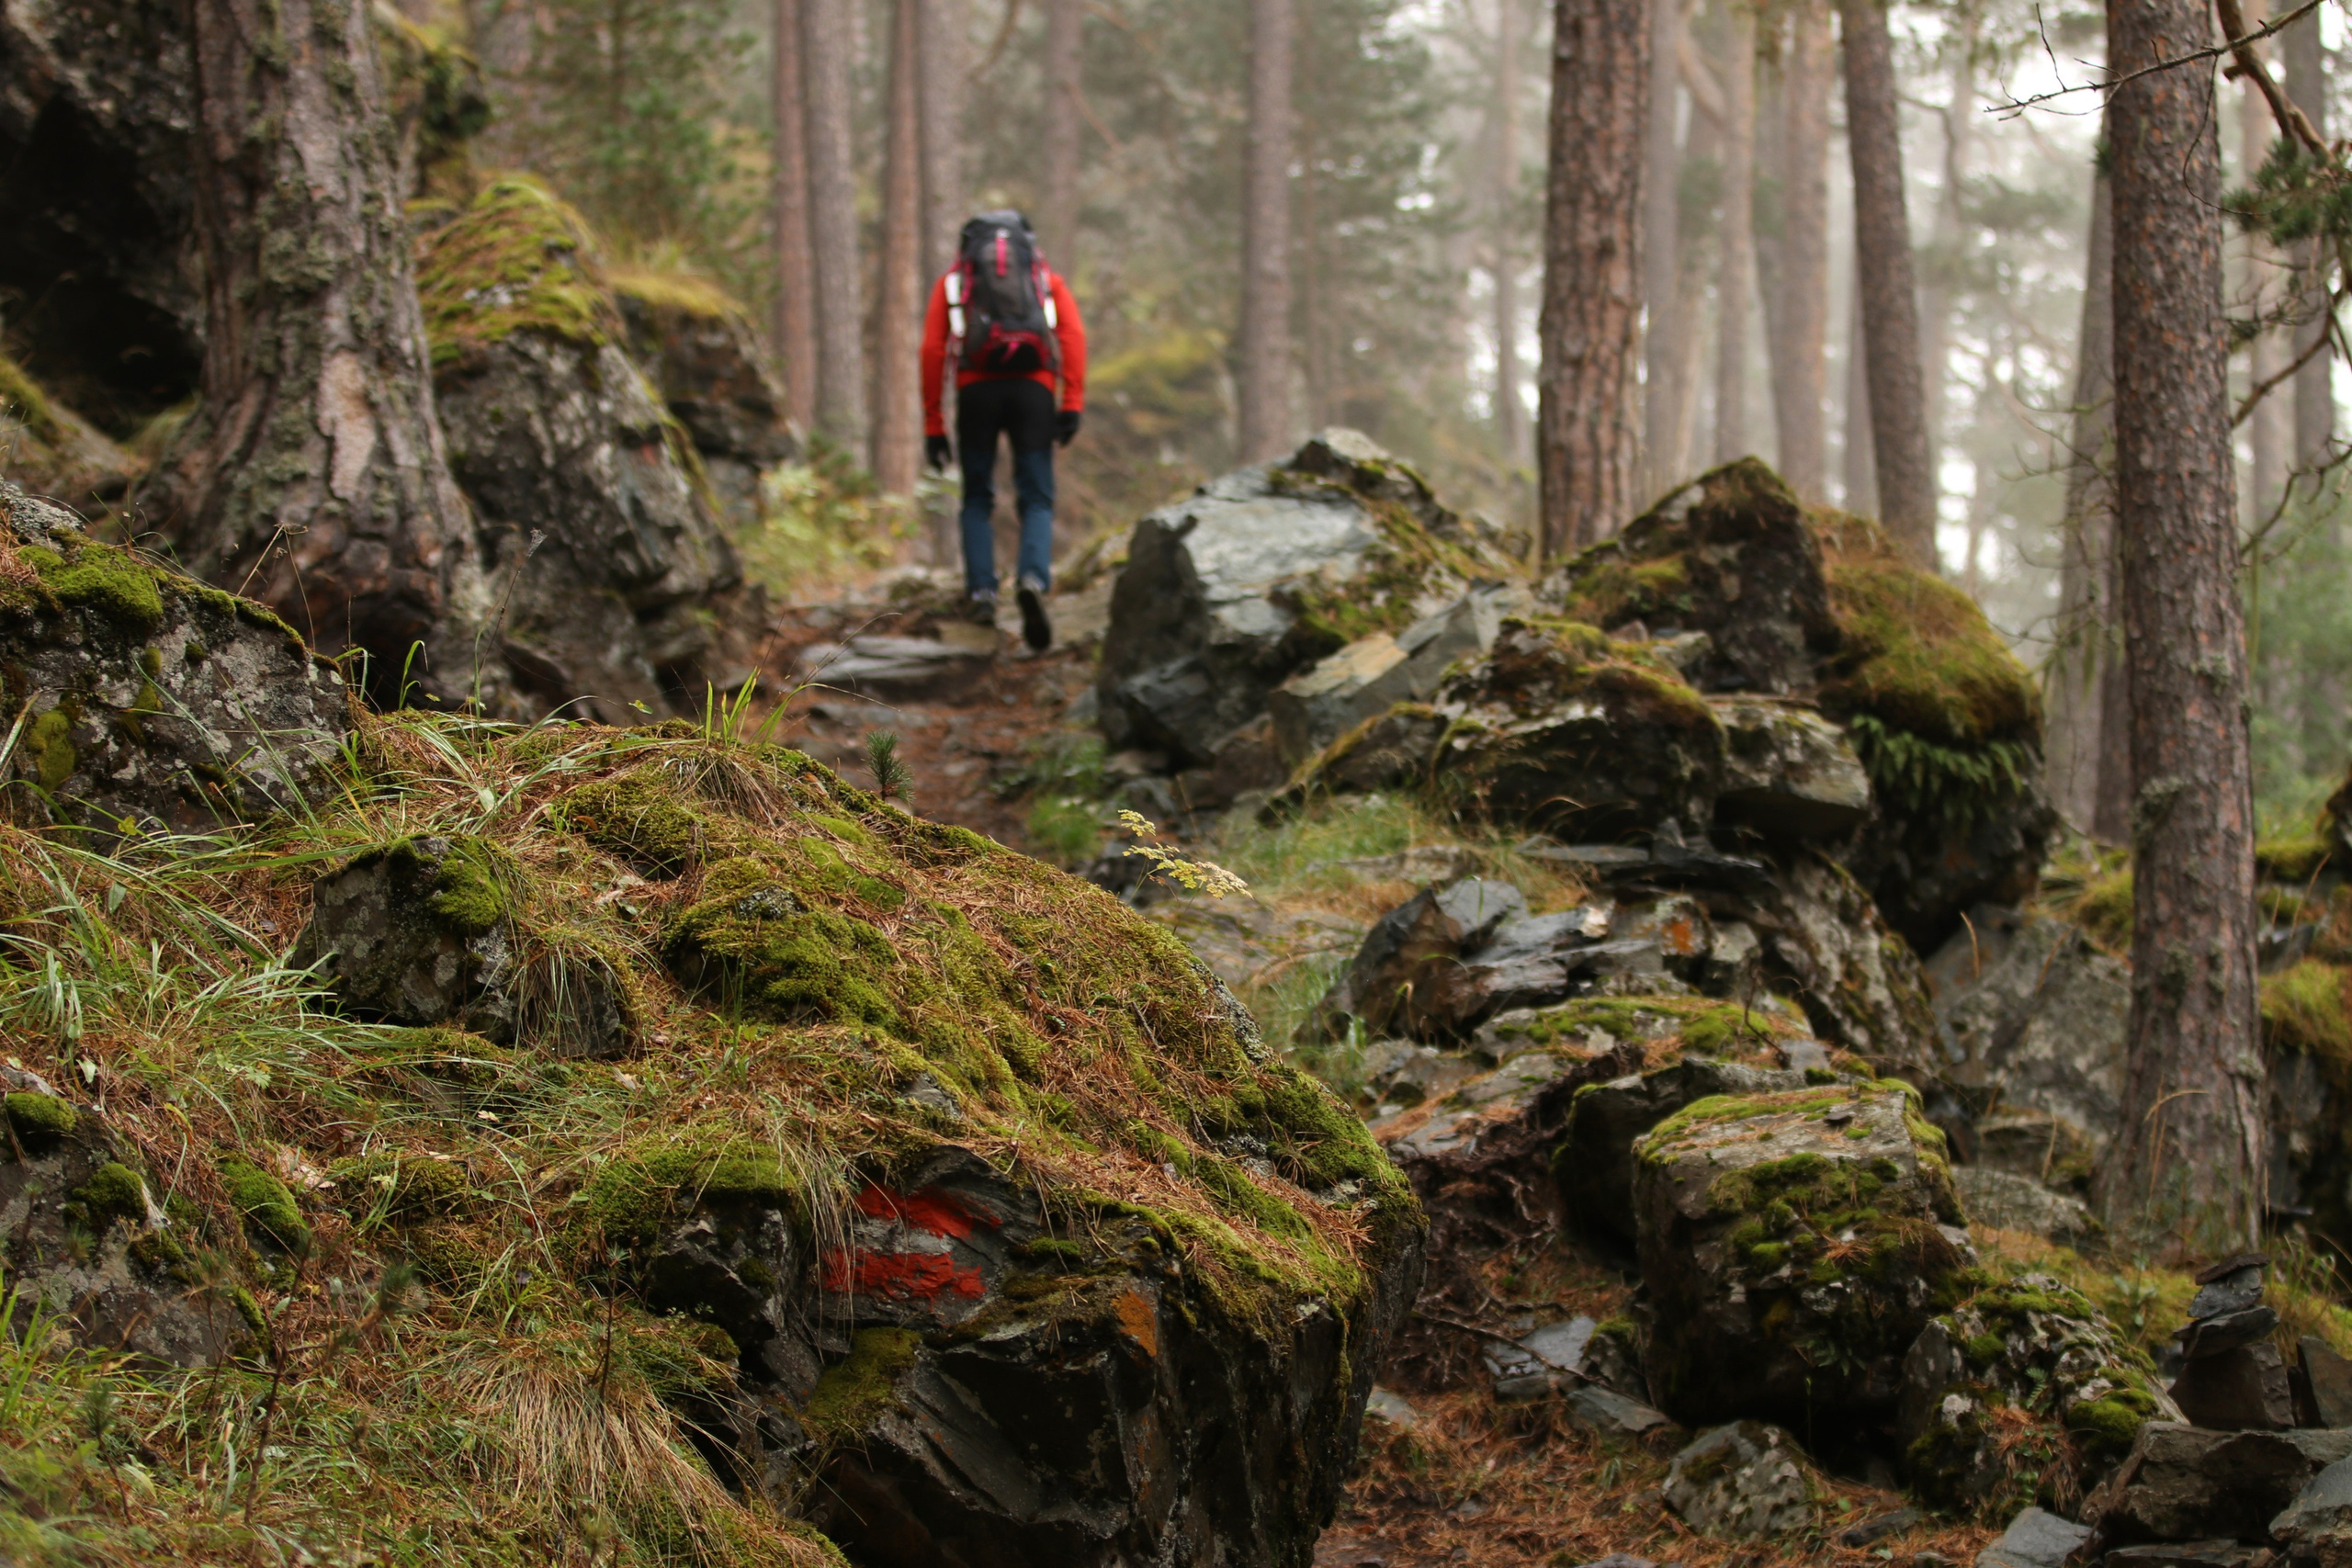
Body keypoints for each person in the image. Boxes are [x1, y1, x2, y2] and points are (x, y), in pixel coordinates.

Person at [922, 209, 1086, 651]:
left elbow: (933, 350)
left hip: (976, 392)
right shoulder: (1045, 280)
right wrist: (1071, 401)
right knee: (1036, 496)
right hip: (1033, 390)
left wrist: (933, 422)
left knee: (976, 496)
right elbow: (1071, 335)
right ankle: (1032, 577)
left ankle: (982, 592)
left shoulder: (954, 285)